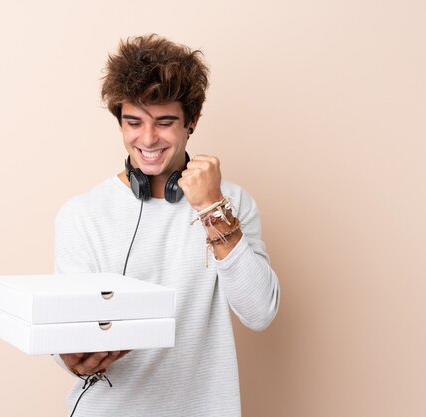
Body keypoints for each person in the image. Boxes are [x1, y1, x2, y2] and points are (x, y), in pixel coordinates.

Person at [53, 34, 280, 417]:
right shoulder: (82, 214)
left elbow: (259, 312)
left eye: (164, 122)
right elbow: (66, 339)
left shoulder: (231, 204)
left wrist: (211, 207)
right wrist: (70, 357)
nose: (147, 139)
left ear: (192, 120)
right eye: (133, 122)